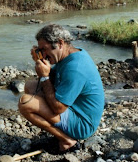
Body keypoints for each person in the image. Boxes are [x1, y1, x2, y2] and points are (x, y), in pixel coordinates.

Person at [18, 23, 104, 153]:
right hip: (75, 108)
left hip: (83, 124)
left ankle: (66, 140)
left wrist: (44, 77)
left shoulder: (76, 68)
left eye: (44, 49)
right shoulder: (70, 54)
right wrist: (39, 61)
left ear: (60, 43)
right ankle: (60, 133)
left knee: (25, 103)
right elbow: (56, 77)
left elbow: (58, 108)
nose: (43, 54)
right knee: (30, 86)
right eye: (40, 50)